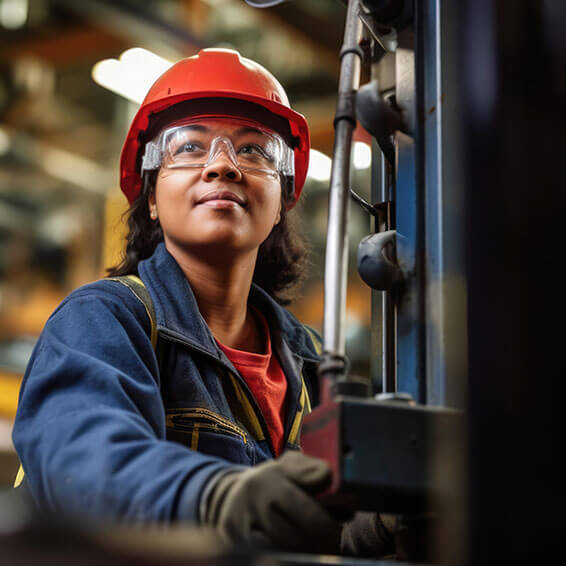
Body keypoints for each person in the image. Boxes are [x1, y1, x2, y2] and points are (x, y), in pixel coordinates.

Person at [11, 48, 341, 553]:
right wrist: (216, 497)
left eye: (254, 151)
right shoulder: (104, 321)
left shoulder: (318, 363)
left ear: (282, 202)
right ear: (150, 196)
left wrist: (361, 529)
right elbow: (80, 462)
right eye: (189, 148)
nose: (223, 167)